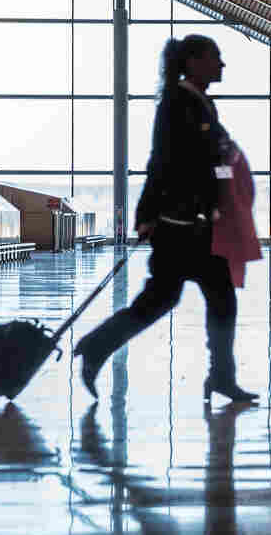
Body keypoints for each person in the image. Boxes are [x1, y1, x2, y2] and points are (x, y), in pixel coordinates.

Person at [72, 35, 258, 403]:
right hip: (179, 228)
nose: (222, 65)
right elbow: (161, 161)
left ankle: (221, 376)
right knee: (161, 302)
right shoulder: (176, 103)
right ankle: (96, 346)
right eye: (215, 57)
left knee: (215, 299)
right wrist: (145, 214)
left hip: (199, 228)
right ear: (192, 61)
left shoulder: (201, 105)